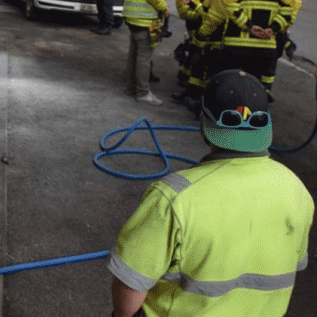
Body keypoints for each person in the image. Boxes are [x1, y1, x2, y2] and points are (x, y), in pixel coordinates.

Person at [108, 69, 313, 317]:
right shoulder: (296, 189)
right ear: (265, 127)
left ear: (204, 125)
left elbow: (130, 286)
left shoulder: (173, 198)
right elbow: (295, 263)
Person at [199, 0, 289, 102]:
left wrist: (250, 26)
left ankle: (216, 110)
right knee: (254, 86)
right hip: (265, 49)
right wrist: (272, 28)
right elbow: (289, 12)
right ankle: (252, 112)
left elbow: (231, 9)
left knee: (225, 81)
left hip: (236, 47)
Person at [123, 0, 169, 105]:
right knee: (144, 57)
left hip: (132, 17)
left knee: (134, 55)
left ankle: (130, 87)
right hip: (146, 19)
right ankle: (143, 93)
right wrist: (164, 9)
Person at [171, 0, 209, 100]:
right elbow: (184, 13)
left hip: (205, 25)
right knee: (194, 51)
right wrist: (201, 14)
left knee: (196, 52)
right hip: (193, 25)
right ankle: (184, 77)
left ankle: (186, 74)